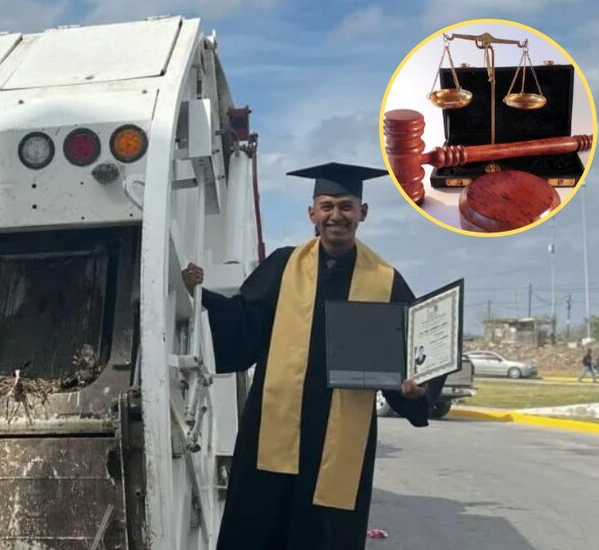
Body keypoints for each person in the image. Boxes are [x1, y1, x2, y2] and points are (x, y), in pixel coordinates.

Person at [182, 162, 445, 550]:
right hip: (274, 427)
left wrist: (416, 390)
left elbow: (411, 353)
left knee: (326, 533)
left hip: (339, 439)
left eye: (346, 206)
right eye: (327, 206)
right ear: (312, 214)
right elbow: (245, 322)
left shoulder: (384, 280)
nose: (336, 215)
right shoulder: (284, 265)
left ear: (362, 212)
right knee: (259, 525)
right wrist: (200, 295)